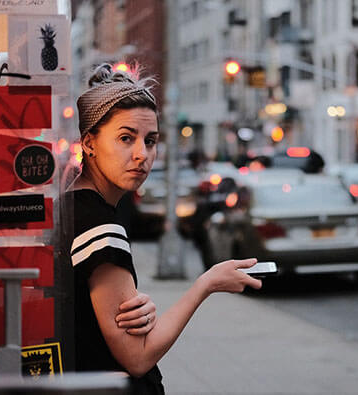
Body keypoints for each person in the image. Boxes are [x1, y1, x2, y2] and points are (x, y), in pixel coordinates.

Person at [65, 63, 262, 394]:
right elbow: (138, 356)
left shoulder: (73, 205)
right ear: (89, 143)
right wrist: (207, 283)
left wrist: (135, 300)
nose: (142, 154)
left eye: (151, 140)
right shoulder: (99, 228)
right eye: (126, 138)